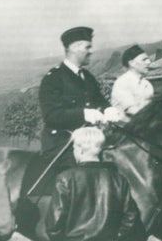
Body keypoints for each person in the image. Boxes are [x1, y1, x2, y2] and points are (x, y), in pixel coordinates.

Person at [38, 26, 122, 165]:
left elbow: (99, 101)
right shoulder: (54, 78)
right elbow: (51, 115)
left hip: (90, 142)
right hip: (63, 143)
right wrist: (83, 114)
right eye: (87, 47)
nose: (91, 51)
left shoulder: (87, 77)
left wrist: (107, 109)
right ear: (75, 48)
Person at [111, 44, 154, 118]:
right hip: (126, 127)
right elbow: (131, 110)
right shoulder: (122, 82)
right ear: (132, 63)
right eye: (144, 60)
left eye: (148, 59)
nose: (148, 62)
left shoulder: (147, 84)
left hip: (146, 123)